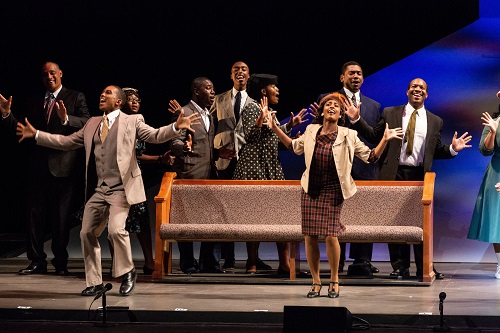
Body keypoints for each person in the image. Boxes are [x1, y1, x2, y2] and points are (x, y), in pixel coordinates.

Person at [15, 85, 200, 296]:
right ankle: (94, 282)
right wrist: (37, 134)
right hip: (99, 190)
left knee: (115, 230)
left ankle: (128, 271)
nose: (103, 95)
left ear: (119, 102)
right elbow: (66, 142)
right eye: (102, 92)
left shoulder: (133, 120)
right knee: (86, 233)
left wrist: (175, 128)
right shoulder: (93, 123)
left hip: (121, 189)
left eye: (108, 93)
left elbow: (155, 135)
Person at [266, 92, 403, 297]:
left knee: (331, 235)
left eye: (336, 106)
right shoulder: (311, 130)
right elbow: (293, 147)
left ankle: (334, 280)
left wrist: (384, 140)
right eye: (328, 104)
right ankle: (315, 282)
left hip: (334, 189)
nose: (332, 107)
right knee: (310, 236)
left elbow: (371, 157)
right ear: (321, 112)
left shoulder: (349, 135)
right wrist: (275, 127)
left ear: (341, 114)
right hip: (311, 189)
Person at [345, 77, 472, 280]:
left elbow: (435, 150)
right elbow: (373, 136)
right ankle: (400, 267)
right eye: (414, 87)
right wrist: (356, 120)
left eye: (421, 88)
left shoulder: (435, 121)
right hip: (393, 173)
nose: (417, 90)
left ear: (426, 94)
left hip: (419, 176)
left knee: (421, 223)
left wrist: (452, 149)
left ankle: (424, 267)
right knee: (395, 223)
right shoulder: (389, 113)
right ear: (407, 92)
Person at [0, 61, 90, 276]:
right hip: (37, 169)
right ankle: (36, 261)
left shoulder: (76, 97)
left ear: (60, 74)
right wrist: (6, 115)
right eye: (44, 75)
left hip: (64, 167)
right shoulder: (33, 99)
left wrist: (66, 119)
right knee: (34, 217)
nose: (49, 77)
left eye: (52, 73)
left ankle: (60, 262)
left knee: (60, 219)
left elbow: (87, 123)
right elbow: (23, 130)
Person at [233, 73, 308, 276]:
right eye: (274, 87)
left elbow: (269, 138)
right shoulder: (251, 108)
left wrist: (289, 127)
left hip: (270, 167)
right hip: (253, 168)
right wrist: (260, 118)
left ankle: (284, 264)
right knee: (254, 217)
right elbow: (250, 137)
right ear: (264, 90)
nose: (278, 90)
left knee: (279, 215)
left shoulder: (268, 111)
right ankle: (252, 262)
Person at [317, 60, 381, 275]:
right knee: (336, 216)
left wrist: (357, 119)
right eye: (351, 73)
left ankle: (362, 261)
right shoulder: (329, 100)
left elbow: (373, 136)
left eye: (359, 74)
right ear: (342, 77)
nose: (356, 77)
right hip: (333, 169)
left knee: (363, 215)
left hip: (363, 169)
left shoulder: (373, 106)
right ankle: (338, 261)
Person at [170, 77, 233, 274]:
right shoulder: (184, 112)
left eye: (213, 88)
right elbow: (174, 142)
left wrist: (218, 153)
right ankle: (188, 264)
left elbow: (204, 145)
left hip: (209, 175)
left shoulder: (209, 115)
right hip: (189, 174)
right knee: (186, 221)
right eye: (208, 88)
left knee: (212, 220)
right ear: (197, 91)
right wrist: (184, 148)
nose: (213, 92)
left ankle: (210, 264)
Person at [119, 87, 174, 275]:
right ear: (120, 102)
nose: (134, 102)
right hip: (118, 178)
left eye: (137, 99)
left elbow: (138, 154)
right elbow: (130, 155)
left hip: (135, 177)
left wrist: (160, 158)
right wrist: (158, 158)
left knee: (141, 221)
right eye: (130, 99)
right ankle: (118, 263)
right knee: (117, 223)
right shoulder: (115, 123)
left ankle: (149, 261)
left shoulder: (138, 122)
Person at [210, 60, 254, 270]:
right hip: (223, 160)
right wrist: (215, 151)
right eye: (236, 69)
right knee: (222, 210)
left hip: (246, 162)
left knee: (245, 210)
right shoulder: (218, 100)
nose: (240, 72)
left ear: (248, 75)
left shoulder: (254, 104)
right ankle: (225, 259)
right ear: (231, 75)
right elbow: (208, 129)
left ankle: (251, 258)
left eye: (243, 69)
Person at [467, 104, 500, 279]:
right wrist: (493, 132)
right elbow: (485, 151)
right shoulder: (493, 122)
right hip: (497, 171)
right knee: (497, 219)